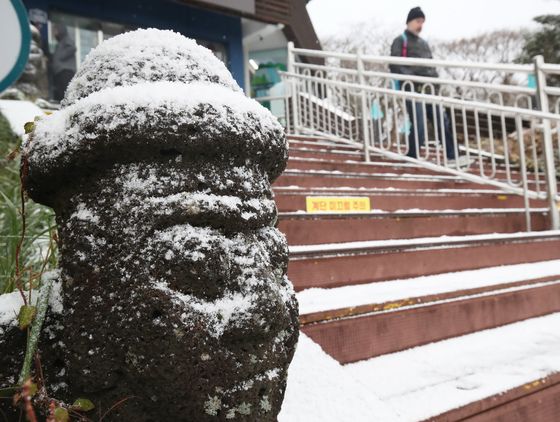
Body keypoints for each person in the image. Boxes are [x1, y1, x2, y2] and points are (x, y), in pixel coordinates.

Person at [389, 7, 468, 165]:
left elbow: (431, 65)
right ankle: (412, 156)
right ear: (410, 21)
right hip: (412, 88)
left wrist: (435, 83)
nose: (421, 25)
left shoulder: (424, 43)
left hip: (430, 89)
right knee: (419, 124)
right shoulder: (401, 40)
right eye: (418, 21)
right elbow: (395, 64)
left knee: (441, 121)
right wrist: (412, 78)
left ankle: (452, 155)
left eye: (422, 22)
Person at [51, 23, 76, 102]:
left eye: (55, 30)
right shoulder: (60, 42)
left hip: (66, 71)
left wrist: (60, 56)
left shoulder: (66, 39)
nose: (54, 32)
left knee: (66, 92)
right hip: (59, 71)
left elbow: (72, 48)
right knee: (61, 92)